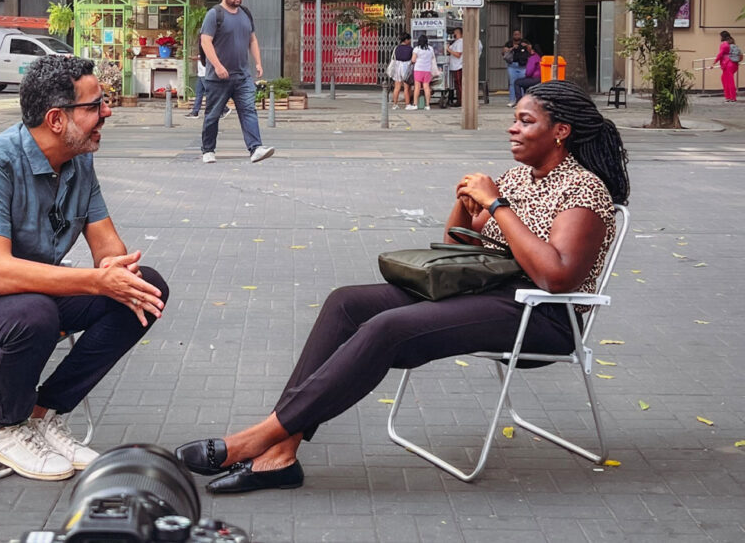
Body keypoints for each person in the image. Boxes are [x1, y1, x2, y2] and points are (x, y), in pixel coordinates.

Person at [175, 80, 630, 494]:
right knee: (347, 304)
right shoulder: (520, 178)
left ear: (561, 132)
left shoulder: (584, 191)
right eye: (514, 118)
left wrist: (497, 204)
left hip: (542, 317)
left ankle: (257, 439)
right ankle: (281, 454)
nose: (512, 129)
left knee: (389, 328)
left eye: (525, 121)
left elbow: (557, 276)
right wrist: (465, 204)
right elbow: (460, 248)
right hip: (486, 295)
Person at [0, 55, 169, 481]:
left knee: (145, 289)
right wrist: (97, 280)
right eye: (96, 105)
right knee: (34, 312)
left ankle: (43, 413)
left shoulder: (79, 161)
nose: (107, 112)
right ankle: (4, 425)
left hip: (25, 299)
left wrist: (116, 272)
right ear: (57, 119)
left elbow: (107, 250)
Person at [199, 0, 274, 164]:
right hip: (218, 78)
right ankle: (208, 150)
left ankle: (255, 148)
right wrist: (217, 65)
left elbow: (252, 40)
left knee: (248, 110)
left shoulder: (246, 14)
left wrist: (258, 62)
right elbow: (205, 42)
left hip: (242, 76)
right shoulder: (214, 14)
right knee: (213, 115)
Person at [185, 36, 231, 120]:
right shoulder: (202, 46)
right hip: (201, 74)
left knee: (212, 93)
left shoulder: (208, 46)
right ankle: (195, 112)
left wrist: (194, 58)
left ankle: (224, 108)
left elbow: (205, 57)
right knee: (199, 93)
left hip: (206, 73)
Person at [447, 27, 483, 107]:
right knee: (458, 84)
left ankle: (462, 101)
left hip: (458, 66)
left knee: (460, 84)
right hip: (456, 66)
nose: (454, 34)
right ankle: (460, 100)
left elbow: (458, 54)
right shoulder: (456, 42)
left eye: (456, 33)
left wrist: (448, 50)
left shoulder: (460, 42)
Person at [509, 41, 542, 107]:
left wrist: (526, 75)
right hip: (539, 78)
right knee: (524, 84)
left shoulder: (532, 58)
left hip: (534, 78)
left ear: (532, 50)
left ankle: (519, 101)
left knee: (517, 82)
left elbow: (529, 71)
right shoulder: (538, 57)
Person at [710, 31, 739, 103]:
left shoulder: (724, 44)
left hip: (727, 64)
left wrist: (713, 63)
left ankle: (731, 97)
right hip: (733, 64)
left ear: (722, 37)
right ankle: (729, 97)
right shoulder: (731, 43)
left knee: (728, 81)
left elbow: (720, 54)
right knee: (725, 79)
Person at [410, 34, 435, 111]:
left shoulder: (416, 49)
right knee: (426, 87)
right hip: (427, 70)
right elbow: (432, 58)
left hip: (418, 69)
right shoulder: (430, 49)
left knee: (417, 87)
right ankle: (427, 105)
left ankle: (415, 104)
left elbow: (413, 60)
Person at [503, 30, 528, 106]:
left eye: (518, 34)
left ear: (520, 35)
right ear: (513, 35)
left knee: (522, 83)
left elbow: (531, 51)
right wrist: (512, 48)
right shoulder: (509, 43)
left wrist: (526, 46)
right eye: (515, 34)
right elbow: (503, 52)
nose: (517, 36)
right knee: (512, 83)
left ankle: (522, 101)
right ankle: (512, 100)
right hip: (512, 65)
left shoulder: (525, 42)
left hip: (523, 65)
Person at [390, 32, 413, 110]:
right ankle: (407, 104)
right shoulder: (410, 49)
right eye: (409, 39)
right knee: (407, 87)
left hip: (397, 67)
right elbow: (412, 59)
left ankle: (395, 104)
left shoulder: (396, 48)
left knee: (397, 87)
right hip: (406, 67)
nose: (410, 41)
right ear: (406, 40)